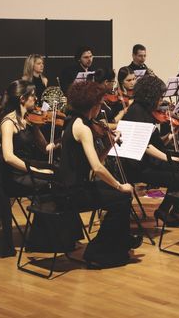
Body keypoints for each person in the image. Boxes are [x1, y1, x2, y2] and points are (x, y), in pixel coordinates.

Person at [58, 81, 141, 267]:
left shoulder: (74, 121)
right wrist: (120, 185)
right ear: (93, 106)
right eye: (100, 103)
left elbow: (94, 161)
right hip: (72, 192)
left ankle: (119, 242)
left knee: (121, 197)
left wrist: (110, 145)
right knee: (122, 197)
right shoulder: (83, 128)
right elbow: (96, 168)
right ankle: (99, 251)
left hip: (73, 186)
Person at [120, 75, 179, 227]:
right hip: (137, 167)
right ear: (151, 95)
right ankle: (167, 210)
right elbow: (145, 147)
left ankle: (172, 211)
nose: (161, 101)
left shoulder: (145, 111)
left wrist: (172, 136)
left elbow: (156, 142)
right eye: (159, 97)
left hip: (148, 162)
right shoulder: (136, 113)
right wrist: (169, 159)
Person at [0, 80, 55, 196]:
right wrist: (36, 171)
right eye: (32, 95)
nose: (36, 99)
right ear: (22, 99)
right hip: (16, 175)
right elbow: (8, 157)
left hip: (28, 168)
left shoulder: (29, 119)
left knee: (59, 174)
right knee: (54, 184)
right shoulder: (8, 123)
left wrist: (63, 140)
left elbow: (45, 148)